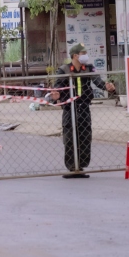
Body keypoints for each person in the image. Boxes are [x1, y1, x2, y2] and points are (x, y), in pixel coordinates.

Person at [51, 46, 115, 178]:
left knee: (85, 136)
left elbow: (98, 81)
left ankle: (81, 166)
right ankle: (72, 168)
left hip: (84, 107)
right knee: (69, 137)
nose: (86, 55)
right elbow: (57, 86)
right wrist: (55, 95)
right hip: (70, 108)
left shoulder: (89, 68)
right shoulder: (64, 69)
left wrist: (107, 87)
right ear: (75, 55)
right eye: (83, 53)